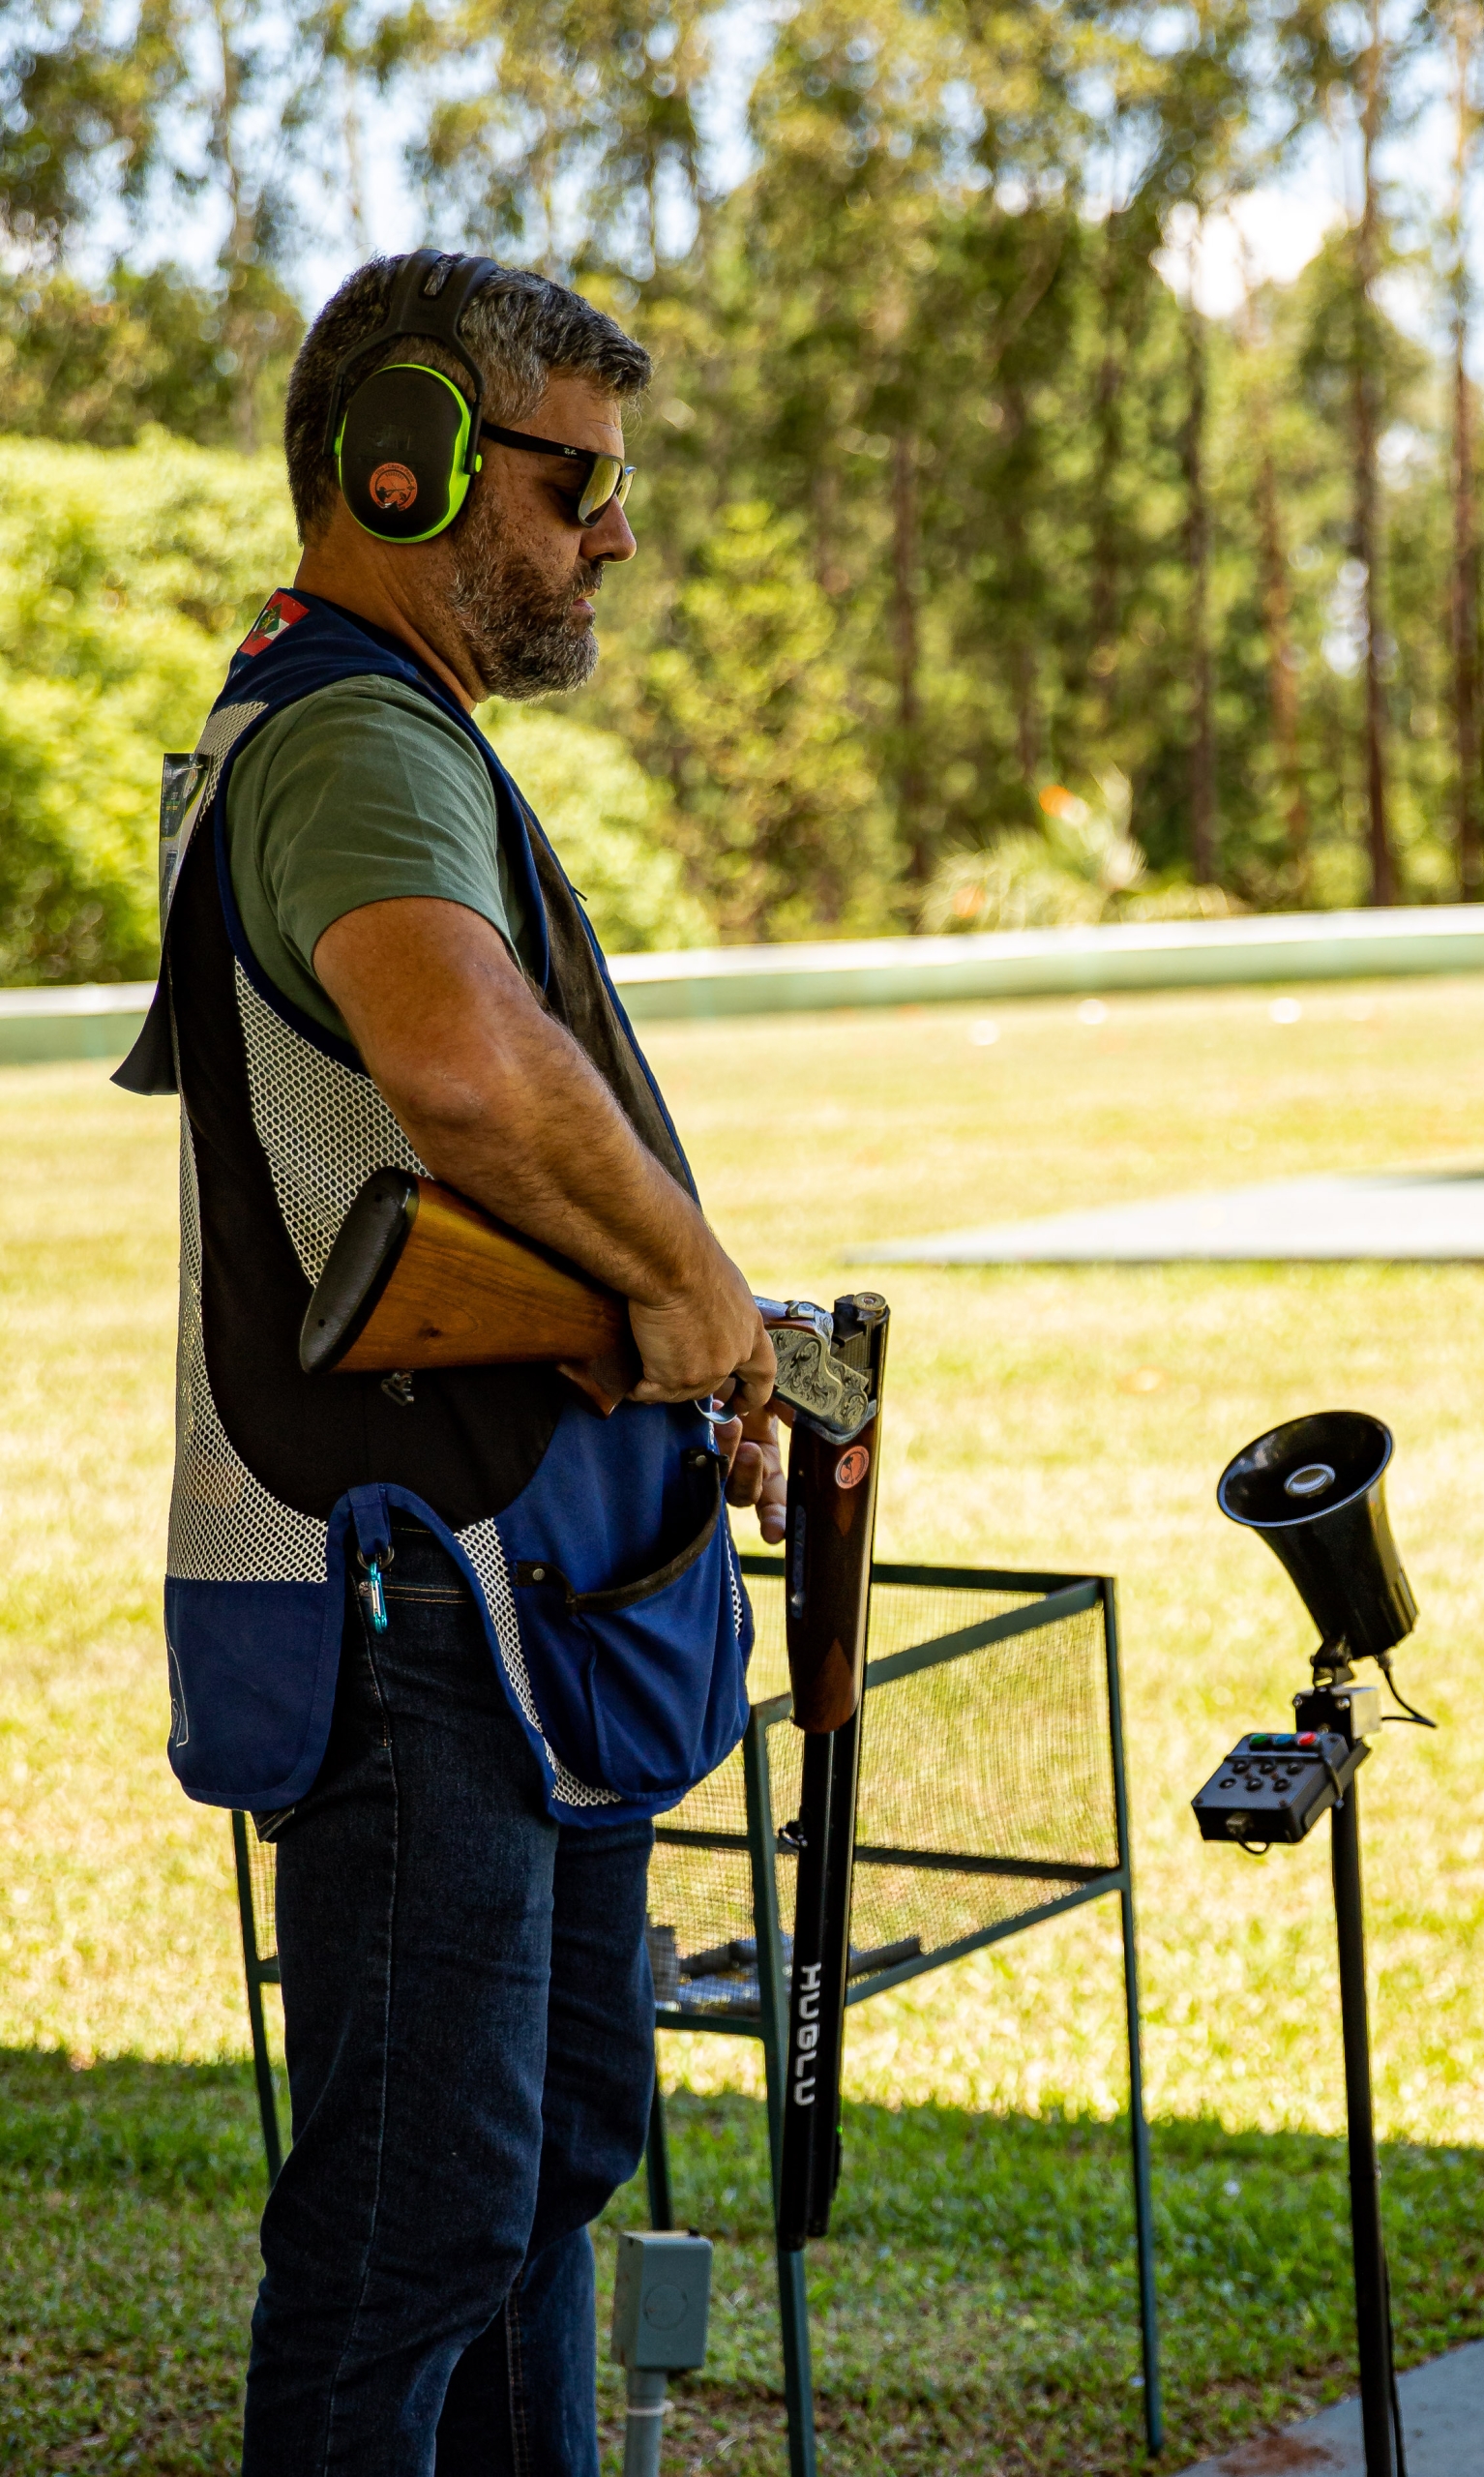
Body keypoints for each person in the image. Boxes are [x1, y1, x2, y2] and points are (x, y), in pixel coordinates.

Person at [116, 250, 785, 2475]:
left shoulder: (370, 729)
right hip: (423, 1601)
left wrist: (677, 1309)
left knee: (537, 2167)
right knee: (416, 2223)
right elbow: (465, 1065)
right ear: (400, 463)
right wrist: (692, 1286)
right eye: (574, 481)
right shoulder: (355, 738)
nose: (614, 533)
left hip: (499, 1590)